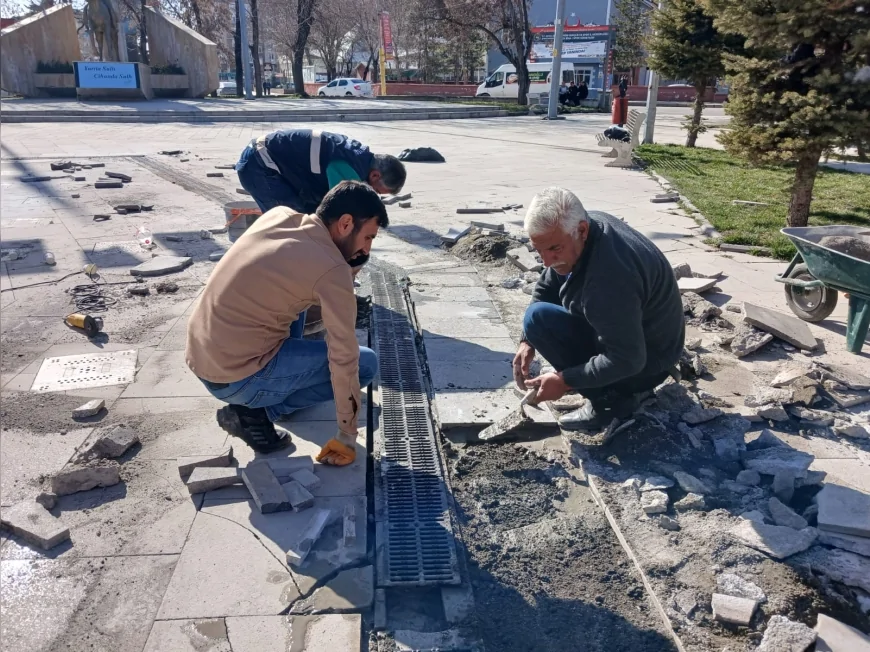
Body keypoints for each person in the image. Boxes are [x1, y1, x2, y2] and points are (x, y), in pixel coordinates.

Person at [186, 181, 388, 464]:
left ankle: (265, 395)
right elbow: (345, 358)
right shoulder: (332, 270)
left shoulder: (279, 216)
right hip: (235, 379)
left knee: (299, 298)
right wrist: (346, 434)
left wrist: (344, 273)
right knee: (366, 364)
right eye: (368, 237)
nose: (365, 249)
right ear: (345, 223)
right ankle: (256, 414)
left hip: (202, 357)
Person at [512, 187, 685, 430]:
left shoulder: (609, 278)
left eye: (553, 249)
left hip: (644, 364)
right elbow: (546, 286)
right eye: (538, 250)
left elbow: (628, 359)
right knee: (535, 320)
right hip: (639, 339)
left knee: (538, 320)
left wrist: (564, 380)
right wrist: (526, 341)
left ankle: (611, 402)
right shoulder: (583, 228)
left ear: (581, 230)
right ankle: (610, 390)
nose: (546, 261)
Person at [235, 128, 407, 215]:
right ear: (375, 175)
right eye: (376, 190)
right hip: (259, 166)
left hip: (266, 163)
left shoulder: (360, 159)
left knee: (306, 219)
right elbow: (337, 208)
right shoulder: (349, 172)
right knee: (288, 224)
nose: (373, 194)